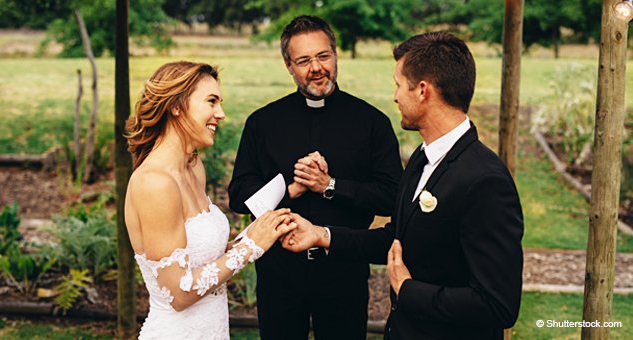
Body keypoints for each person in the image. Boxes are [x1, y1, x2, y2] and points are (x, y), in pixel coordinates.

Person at [282, 32, 524, 339]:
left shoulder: (485, 181)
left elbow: (498, 305)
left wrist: (409, 292)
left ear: (422, 90)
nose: (395, 96)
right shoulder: (422, 159)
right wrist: (321, 235)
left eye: (398, 85)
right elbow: (397, 240)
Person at [228, 15, 403, 340]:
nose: (316, 68)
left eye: (323, 56)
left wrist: (331, 186)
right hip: (278, 272)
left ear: (336, 55)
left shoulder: (371, 123)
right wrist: (291, 186)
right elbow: (238, 195)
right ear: (289, 66)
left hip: (344, 267)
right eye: (304, 60)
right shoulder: (262, 123)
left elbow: (392, 195)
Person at [123, 61, 296, 339]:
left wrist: (258, 233)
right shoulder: (155, 183)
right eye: (211, 102)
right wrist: (250, 248)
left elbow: (200, 257)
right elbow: (178, 293)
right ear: (176, 106)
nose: (221, 113)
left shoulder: (193, 167)